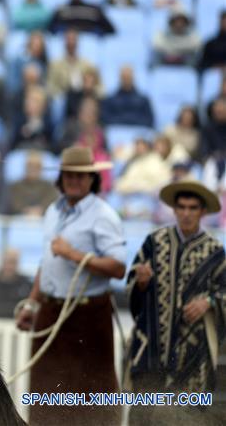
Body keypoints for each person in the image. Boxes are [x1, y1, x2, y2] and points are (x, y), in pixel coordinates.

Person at [15, 146, 126, 426]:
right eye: (69, 175)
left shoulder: (104, 215)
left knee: (92, 392)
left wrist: (72, 254)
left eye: (81, 176)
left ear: (92, 179)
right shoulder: (53, 210)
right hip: (51, 311)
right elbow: (47, 262)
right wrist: (32, 302)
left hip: (88, 316)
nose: (74, 180)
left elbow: (118, 267)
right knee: (45, 390)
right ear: (61, 178)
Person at [126, 180, 225, 426]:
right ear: (174, 210)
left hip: (193, 355)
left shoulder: (215, 252)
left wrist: (210, 302)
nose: (186, 213)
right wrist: (140, 282)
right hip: (150, 350)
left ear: (202, 211)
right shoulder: (154, 242)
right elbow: (131, 284)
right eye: (181, 207)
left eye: (193, 208)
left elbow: (225, 292)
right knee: (142, 417)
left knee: (186, 419)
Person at [48, 0, 114, 35]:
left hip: (90, 46)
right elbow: (50, 31)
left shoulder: (93, 9)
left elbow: (110, 30)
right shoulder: (61, 10)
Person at [6, 150, 58, 215]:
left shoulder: (49, 187)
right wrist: (27, 211)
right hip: (19, 219)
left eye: (36, 167)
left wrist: (40, 210)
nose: (33, 169)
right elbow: (14, 204)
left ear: (41, 168)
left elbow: (51, 202)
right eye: (30, 166)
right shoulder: (16, 186)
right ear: (25, 167)